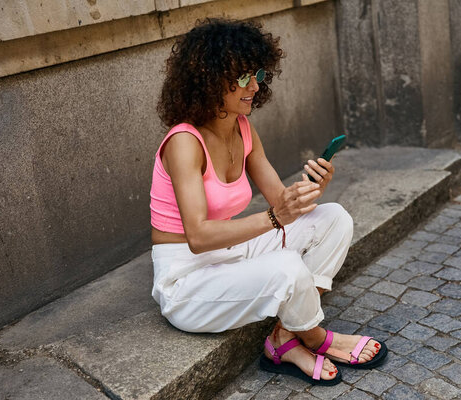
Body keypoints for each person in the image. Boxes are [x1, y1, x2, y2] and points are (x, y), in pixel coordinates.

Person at [150, 18, 387, 385]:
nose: (255, 86)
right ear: (210, 81)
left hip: (234, 250)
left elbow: (282, 202)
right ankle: (316, 338)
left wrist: (310, 189)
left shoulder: (242, 127)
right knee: (287, 268)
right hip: (188, 280)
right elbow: (197, 236)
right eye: (242, 78)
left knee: (335, 218)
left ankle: (284, 337)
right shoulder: (184, 142)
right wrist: (277, 216)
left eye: (257, 73)